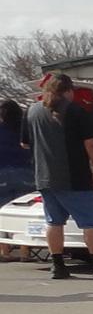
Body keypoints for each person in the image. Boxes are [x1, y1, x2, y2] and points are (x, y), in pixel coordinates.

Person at [22, 74, 93, 281]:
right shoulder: (76, 111)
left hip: (45, 176)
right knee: (90, 222)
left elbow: (25, 143)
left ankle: (58, 265)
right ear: (69, 91)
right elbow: (90, 144)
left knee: (54, 222)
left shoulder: (32, 111)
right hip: (75, 176)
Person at [0, 101, 32, 263]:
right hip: (25, 172)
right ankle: (25, 251)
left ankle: (4, 250)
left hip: (2, 172)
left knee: (2, 212)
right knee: (23, 212)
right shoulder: (25, 130)